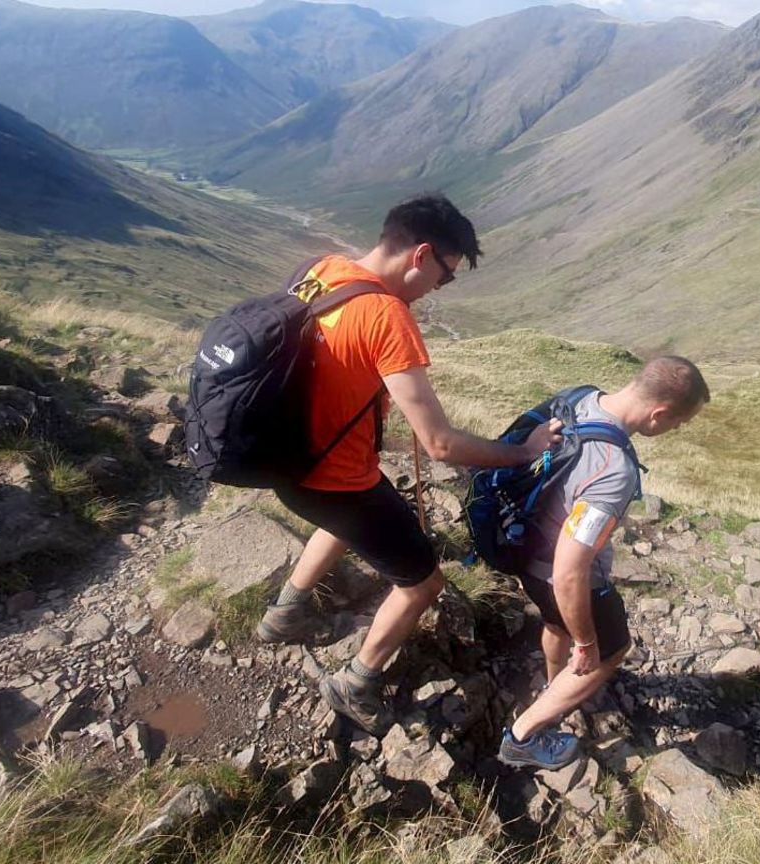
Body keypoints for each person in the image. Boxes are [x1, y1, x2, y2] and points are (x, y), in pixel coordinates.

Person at [255, 194, 561, 735]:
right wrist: (524, 452)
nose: (438, 291)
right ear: (421, 255)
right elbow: (439, 444)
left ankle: (285, 614)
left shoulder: (322, 268)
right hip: (336, 478)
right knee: (423, 586)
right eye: (444, 278)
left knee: (344, 525)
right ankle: (356, 681)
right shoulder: (386, 316)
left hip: (285, 459)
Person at [497, 356, 709, 771]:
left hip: (522, 549)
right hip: (562, 577)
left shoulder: (580, 399)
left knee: (555, 624)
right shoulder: (615, 471)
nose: (673, 431)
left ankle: (555, 686)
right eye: (677, 424)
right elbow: (570, 570)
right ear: (659, 413)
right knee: (611, 649)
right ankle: (524, 735)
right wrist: (588, 645)